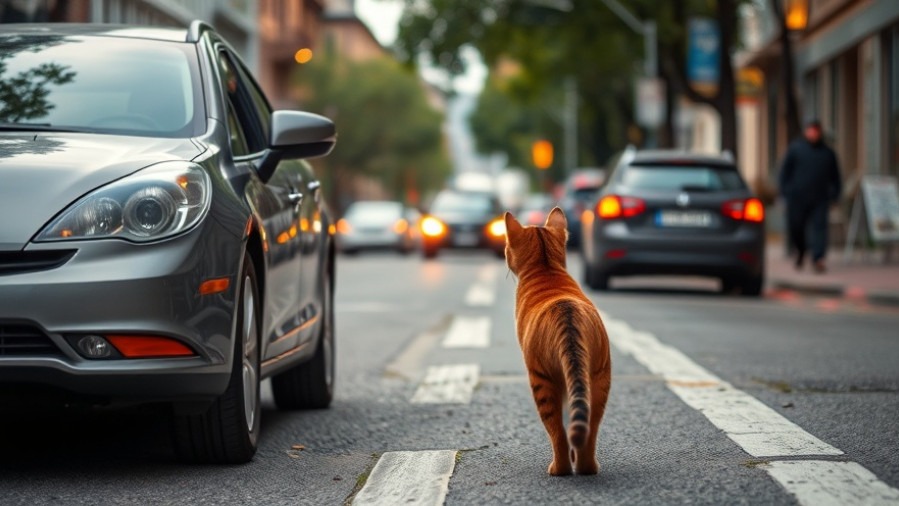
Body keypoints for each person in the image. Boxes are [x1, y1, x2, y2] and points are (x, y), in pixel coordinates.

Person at [778, 119, 842, 273]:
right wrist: (785, 191)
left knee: (820, 228)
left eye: (816, 130)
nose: (813, 133)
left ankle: (818, 258)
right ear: (806, 131)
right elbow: (784, 173)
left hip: (820, 198)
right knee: (797, 227)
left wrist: (834, 193)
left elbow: (836, 176)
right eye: (811, 130)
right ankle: (801, 251)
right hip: (798, 198)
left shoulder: (828, 153)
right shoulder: (796, 149)